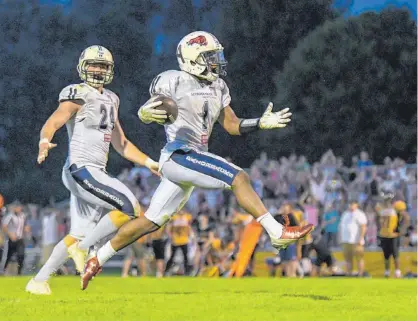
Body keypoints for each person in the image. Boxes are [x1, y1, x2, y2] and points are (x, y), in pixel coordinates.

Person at [81, 31, 313, 289]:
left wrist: (260, 123)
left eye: (216, 55)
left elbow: (232, 125)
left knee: (150, 222)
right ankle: (276, 231)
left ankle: (97, 257)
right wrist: (145, 113)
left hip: (191, 158)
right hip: (179, 154)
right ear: (193, 59)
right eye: (210, 57)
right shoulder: (174, 80)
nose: (217, 61)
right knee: (239, 177)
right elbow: (153, 108)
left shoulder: (218, 86)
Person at [26, 45, 159, 295]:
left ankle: (39, 281)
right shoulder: (77, 93)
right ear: (82, 67)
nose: (97, 70)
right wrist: (44, 140)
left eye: (103, 66)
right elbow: (54, 120)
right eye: (93, 65)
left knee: (77, 233)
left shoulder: (112, 98)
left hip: (95, 171)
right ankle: (85, 248)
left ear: (110, 70)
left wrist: (150, 162)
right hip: (81, 168)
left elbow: (122, 144)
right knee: (130, 207)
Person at [375, 194, 409, 278]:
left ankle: (397, 272)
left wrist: (402, 229)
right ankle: (387, 272)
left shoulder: (396, 209)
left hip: (393, 235)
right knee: (386, 255)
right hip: (384, 235)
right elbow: (376, 218)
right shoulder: (381, 209)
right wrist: (379, 228)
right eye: (386, 200)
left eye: (389, 200)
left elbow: (406, 217)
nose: (387, 202)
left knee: (395, 254)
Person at [2, 201, 31, 275]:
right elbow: (4, 226)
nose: (18, 209)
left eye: (19, 207)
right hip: (12, 239)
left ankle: (19, 272)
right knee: (8, 256)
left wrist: (27, 229)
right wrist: (10, 234)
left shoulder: (23, 216)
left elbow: (25, 226)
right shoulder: (10, 216)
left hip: (20, 239)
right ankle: (3, 270)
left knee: (21, 255)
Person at [339, 200, 367, 276]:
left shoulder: (360, 214)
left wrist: (361, 238)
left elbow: (363, 227)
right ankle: (349, 273)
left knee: (359, 258)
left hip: (356, 240)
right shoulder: (345, 214)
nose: (351, 206)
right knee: (347, 258)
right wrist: (341, 238)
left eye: (353, 204)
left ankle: (360, 274)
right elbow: (342, 227)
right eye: (350, 204)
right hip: (346, 240)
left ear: (356, 205)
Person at [164, 209, 193, 275]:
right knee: (172, 257)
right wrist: (170, 236)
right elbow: (168, 227)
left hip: (184, 240)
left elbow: (189, 226)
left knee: (186, 257)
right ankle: (166, 271)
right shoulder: (174, 217)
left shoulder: (187, 217)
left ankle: (187, 272)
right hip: (175, 240)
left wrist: (190, 235)